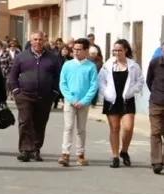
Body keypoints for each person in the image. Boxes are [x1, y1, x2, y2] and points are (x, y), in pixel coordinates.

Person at [8, 31, 61, 162]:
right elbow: (13, 76)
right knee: (25, 121)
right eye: (35, 39)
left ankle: (35, 149)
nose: (38, 42)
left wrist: (54, 92)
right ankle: (25, 150)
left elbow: (58, 76)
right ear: (31, 41)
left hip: (45, 96)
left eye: (40, 39)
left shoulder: (52, 58)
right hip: (25, 95)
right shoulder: (21, 56)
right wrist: (16, 91)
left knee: (40, 122)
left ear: (44, 41)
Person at [97, 39, 144, 168]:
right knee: (114, 128)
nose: (117, 53)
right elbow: (100, 81)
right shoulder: (108, 65)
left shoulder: (133, 65)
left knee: (128, 128)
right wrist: (106, 93)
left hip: (127, 99)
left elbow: (140, 81)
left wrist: (132, 91)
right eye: (115, 50)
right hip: (111, 99)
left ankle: (124, 151)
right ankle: (115, 156)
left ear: (125, 50)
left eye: (119, 50)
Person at [57, 38, 98, 167]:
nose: (76, 51)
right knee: (68, 127)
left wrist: (85, 100)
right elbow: (63, 84)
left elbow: (93, 86)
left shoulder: (91, 66)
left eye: (79, 49)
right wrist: (71, 99)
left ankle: (80, 154)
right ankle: (65, 153)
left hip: (84, 102)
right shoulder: (67, 65)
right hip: (70, 101)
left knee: (81, 129)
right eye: (74, 49)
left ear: (86, 50)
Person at [146, 48, 164, 174]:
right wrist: (156, 94)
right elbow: (149, 81)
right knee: (156, 132)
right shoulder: (155, 63)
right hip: (156, 103)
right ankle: (157, 161)